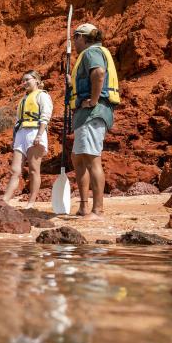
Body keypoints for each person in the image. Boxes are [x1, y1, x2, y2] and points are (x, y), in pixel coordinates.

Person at [68, 22, 120, 217]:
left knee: (91, 158)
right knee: (78, 157)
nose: (74, 41)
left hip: (93, 112)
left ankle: (97, 209)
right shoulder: (91, 53)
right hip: (86, 114)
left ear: (83, 37)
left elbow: (98, 73)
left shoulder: (91, 53)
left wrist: (93, 100)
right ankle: (83, 207)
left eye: (76, 37)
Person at [1, 70, 52, 206]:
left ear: (36, 80)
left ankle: (31, 202)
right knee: (15, 170)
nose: (24, 83)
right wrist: (15, 138)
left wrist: (39, 135)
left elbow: (45, 117)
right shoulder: (23, 99)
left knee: (34, 169)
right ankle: (4, 200)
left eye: (27, 80)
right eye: (23, 81)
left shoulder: (42, 96)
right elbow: (18, 120)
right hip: (21, 134)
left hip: (35, 132)